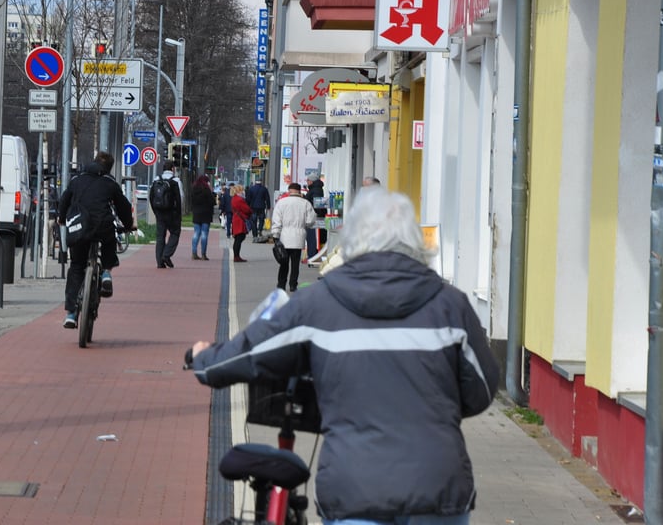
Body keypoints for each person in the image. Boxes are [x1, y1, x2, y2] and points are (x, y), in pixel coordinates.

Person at [189, 187, 500, 525]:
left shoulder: (319, 303)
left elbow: (249, 353)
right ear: (414, 239)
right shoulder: (450, 305)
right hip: (438, 490)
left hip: (356, 490)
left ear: (351, 237)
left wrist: (205, 359)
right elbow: (481, 391)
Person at [57, 152, 134, 328]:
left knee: (77, 266)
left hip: (80, 227)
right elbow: (123, 207)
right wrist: (128, 225)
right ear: (109, 168)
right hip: (102, 225)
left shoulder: (77, 180)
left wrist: (62, 218)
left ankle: (71, 313)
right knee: (109, 241)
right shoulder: (110, 183)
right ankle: (106, 272)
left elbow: (64, 200)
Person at [270, 182, 318, 292]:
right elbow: (310, 221)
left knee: (284, 263)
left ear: (289, 190)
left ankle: (281, 284)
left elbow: (276, 221)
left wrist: (275, 235)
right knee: (295, 264)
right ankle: (293, 285)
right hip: (299, 237)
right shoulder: (305, 203)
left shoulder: (281, 203)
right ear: (299, 191)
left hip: (284, 237)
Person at [151, 160, 183, 269]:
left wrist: (155, 211)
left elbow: (151, 197)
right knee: (175, 233)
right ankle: (166, 254)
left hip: (159, 212)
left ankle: (159, 262)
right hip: (172, 213)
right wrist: (179, 213)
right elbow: (180, 198)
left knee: (160, 236)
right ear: (172, 169)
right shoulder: (176, 181)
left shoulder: (156, 180)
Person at [190, 175, 216, 261]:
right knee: (204, 233)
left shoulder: (193, 189)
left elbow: (192, 201)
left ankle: (194, 253)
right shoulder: (206, 190)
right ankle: (203, 254)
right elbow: (212, 202)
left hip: (196, 213)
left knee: (196, 233)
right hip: (206, 214)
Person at [305, 174, 326, 257]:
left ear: (311, 181)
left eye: (308, 180)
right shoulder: (315, 189)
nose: (307, 182)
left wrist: (314, 214)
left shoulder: (316, 190)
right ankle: (314, 255)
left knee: (314, 238)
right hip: (316, 215)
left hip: (315, 217)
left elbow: (316, 204)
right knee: (315, 237)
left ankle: (314, 255)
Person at [229, 184, 252, 262]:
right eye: (242, 190)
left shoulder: (234, 198)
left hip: (236, 219)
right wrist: (250, 211)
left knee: (238, 238)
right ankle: (236, 256)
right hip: (240, 220)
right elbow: (247, 209)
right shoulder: (239, 199)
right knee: (239, 238)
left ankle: (236, 256)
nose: (243, 192)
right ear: (239, 191)